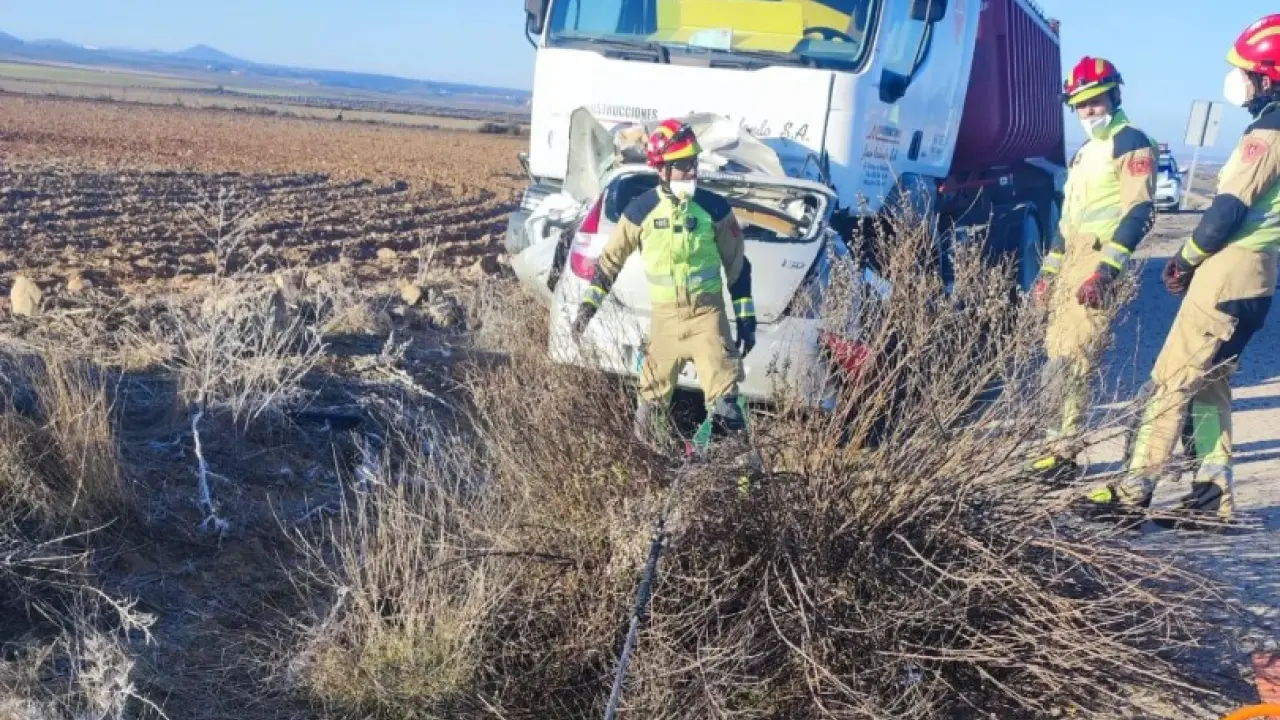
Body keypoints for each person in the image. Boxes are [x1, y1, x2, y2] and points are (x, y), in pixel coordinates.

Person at [1082, 15, 1280, 524]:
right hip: (1257, 278)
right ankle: (1211, 499)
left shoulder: (1269, 132)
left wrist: (1185, 258)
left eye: (1246, 71)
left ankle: (1131, 492)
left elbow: (1228, 209)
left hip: (1229, 269)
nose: (1238, 80)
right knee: (1209, 384)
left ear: (1267, 76)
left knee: (1169, 382)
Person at [570, 118, 757, 447]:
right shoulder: (640, 211)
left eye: (693, 162)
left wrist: (746, 319)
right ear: (662, 170)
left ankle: (732, 471)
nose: (691, 171)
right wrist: (588, 306)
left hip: (707, 319)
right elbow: (609, 262)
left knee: (727, 403)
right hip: (665, 321)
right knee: (650, 405)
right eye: (682, 165)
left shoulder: (714, 208)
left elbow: (738, 267)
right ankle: (651, 465)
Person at [1027, 56, 1159, 483]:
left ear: (1114, 97)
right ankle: (1052, 445)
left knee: (1076, 359)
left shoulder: (1130, 141)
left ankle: (1063, 454)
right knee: (1056, 358)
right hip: (1072, 261)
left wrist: (1106, 271)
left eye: (1096, 101)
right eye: (1081, 105)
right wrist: (1047, 276)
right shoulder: (1085, 152)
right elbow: (1067, 224)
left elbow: (1138, 212)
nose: (1089, 111)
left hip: (1098, 263)